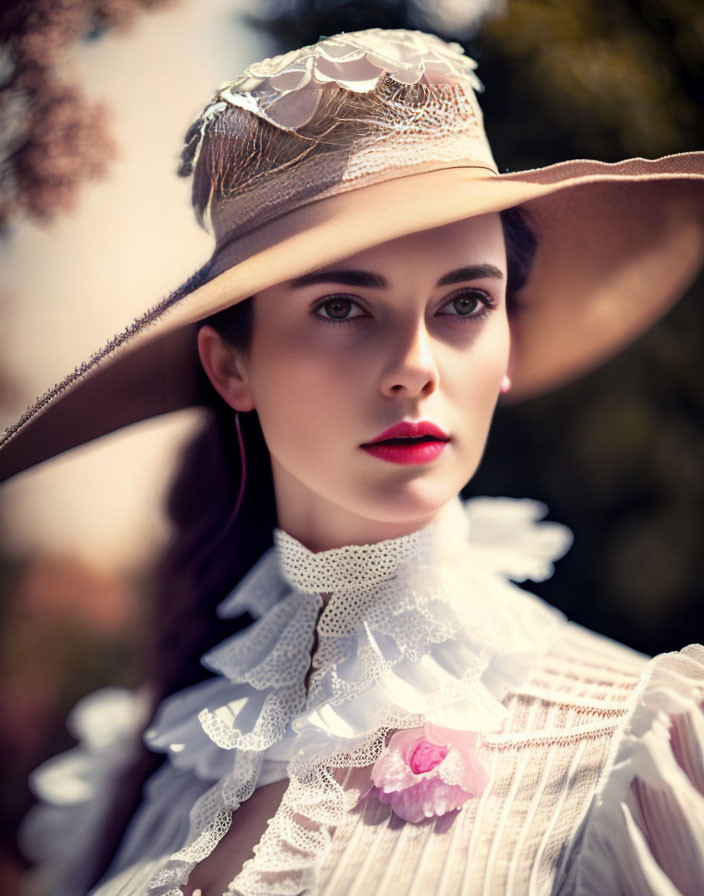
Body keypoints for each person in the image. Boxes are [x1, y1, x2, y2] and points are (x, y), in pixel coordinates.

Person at [4, 27, 704, 896]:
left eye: (466, 302)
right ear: (233, 367)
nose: (416, 363)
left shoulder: (638, 753)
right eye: (342, 305)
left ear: (508, 338)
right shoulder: (144, 764)